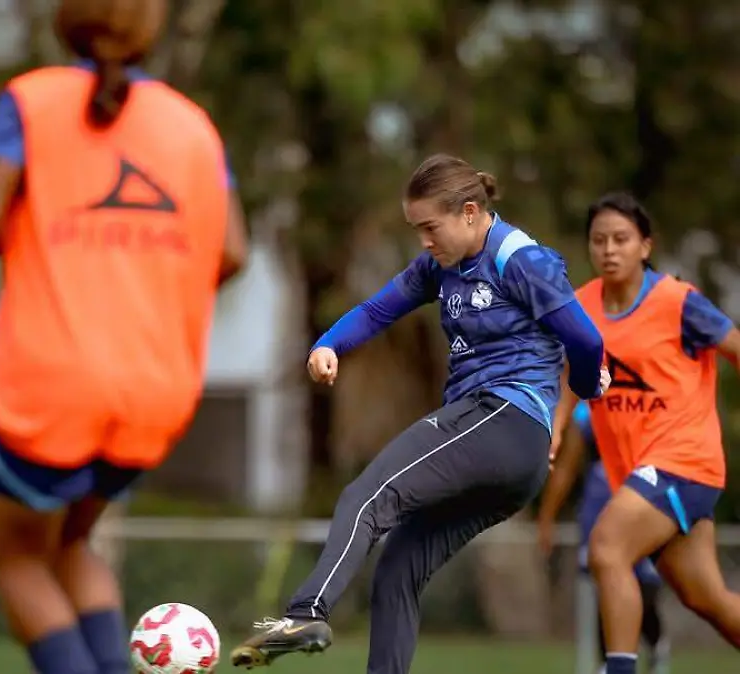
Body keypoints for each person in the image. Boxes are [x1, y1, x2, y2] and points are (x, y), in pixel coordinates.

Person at [230, 154, 610, 673]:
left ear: (471, 213)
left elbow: (586, 339)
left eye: (431, 227)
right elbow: (377, 310)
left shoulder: (521, 260)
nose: (424, 241)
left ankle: (305, 613)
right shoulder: (441, 266)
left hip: (502, 418)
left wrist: (588, 385)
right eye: (416, 229)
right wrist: (329, 345)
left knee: (367, 496)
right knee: (398, 571)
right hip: (508, 457)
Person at [0, 0, 247, 672]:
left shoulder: (29, 102)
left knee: (19, 556)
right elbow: (231, 251)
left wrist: (62, 243)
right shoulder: (192, 125)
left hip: (53, 382)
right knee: (71, 544)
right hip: (156, 388)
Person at [551, 192, 740, 674]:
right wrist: (553, 429)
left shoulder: (678, 303)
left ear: (645, 246)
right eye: (599, 240)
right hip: (636, 473)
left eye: (621, 239)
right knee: (707, 599)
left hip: (685, 462)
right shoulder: (581, 306)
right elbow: (571, 376)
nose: (609, 249)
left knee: (607, 546)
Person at [537, 399, 669, 674]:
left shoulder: (652, 397)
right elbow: (566, 468)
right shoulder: (588, 409)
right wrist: (546, 517)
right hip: (600, 507)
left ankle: (655, 645)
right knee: (606, 583)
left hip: (644, 503)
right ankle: (607, 663)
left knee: (645, 587)